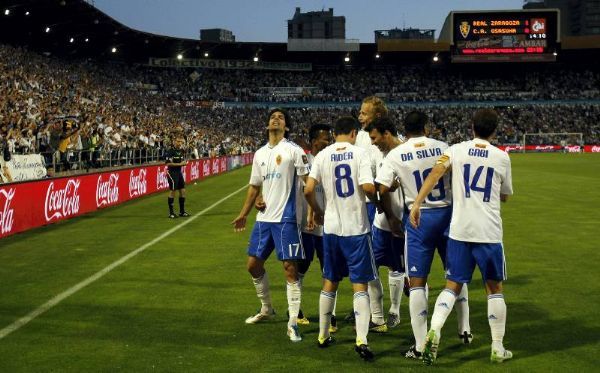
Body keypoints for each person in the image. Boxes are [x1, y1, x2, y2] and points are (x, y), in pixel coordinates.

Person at [409, 109, 513, 365]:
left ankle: (435, 329)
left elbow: (435, 173)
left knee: (452, 285)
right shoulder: (501, 157)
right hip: (488, 231)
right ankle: (497, 347)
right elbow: (506, 195)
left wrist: (417, 203)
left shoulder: (456, 150)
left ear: (472, 127)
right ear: (494, 131)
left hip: (459, 230)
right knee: (494, 288)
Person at [377, 111, 472, 360]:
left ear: (403, 130)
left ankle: (420, 346)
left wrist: (393, 214)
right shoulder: (443, 147)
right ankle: (464, 330)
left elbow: (382, 188)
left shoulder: (395, 155)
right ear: (426, 127)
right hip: (449, 215)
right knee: (456, 274)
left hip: (419, 219)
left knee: (417, 282)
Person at [231, 108, 309, 343]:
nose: (276, 119)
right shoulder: (259, 154)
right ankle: (267, 309)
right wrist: (244, 212)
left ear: (286, 127)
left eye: (281, 118)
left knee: (290, 269)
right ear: (267, 125)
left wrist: (312, 211)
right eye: (273, 117)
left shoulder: (294, 151)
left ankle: (293, 323)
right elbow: (255, 186)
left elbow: (308, 182)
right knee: (253, 265)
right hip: (264, 219)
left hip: (286, 219)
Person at [304, 116, 377, 361]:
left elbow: (308, 189)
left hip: (332, 229)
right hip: (356, 228)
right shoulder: (359, 154)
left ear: (336, 133)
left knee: (330, 281)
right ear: (354, 133)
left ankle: (323, 335)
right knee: (360, 284)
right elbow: (367, 188)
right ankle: (362, 340)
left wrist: (318, 211)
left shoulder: (323, 155)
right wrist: (379, 203)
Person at [364, 116, 406, 330]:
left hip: (402, 221)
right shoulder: (377, 154)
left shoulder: (406, 152)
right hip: (382, 223)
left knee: (397, 267)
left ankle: (394, 312)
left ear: (386, 133)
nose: (373, 142)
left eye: (374, 137)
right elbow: (373, 186)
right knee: (371, 267)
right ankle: (377, 316)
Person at [165, 137, 189, 218]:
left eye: (180, 142)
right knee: (173, 191)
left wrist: (184, 162)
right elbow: (168, 164)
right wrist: (180, 164)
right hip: (172, 173)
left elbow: (183, 161)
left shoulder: (181, 151)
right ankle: (171, 213)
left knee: (183, 191)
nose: (180, 143)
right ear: (174, 142)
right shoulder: (170, 151)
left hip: (179, 173)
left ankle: (182, 212)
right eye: (178, 141)